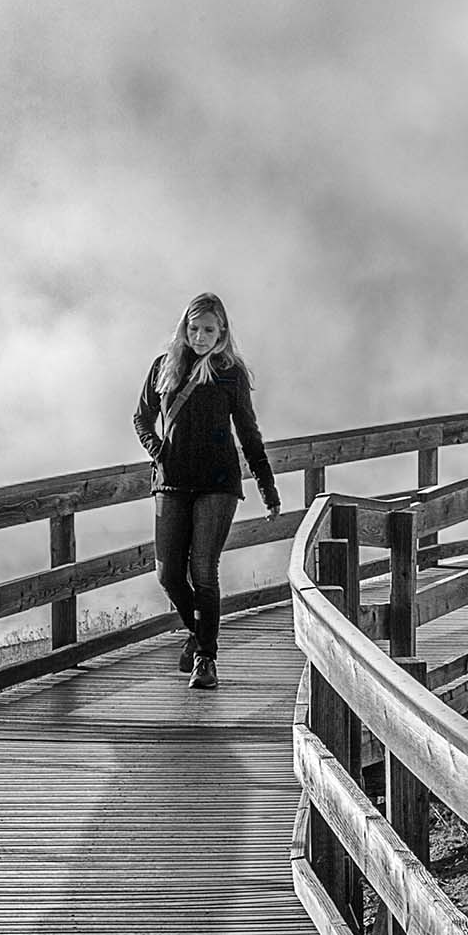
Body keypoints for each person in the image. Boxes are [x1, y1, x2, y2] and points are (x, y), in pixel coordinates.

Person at [133, 293, 281, 689]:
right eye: (194, 328)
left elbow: (248, 432)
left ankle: (205, 659)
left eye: (208, 330)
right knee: (168, 574)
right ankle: (198, 634)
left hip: (218, 484)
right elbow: (142, 417)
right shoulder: (164, 367)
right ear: (184, 328)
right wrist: (157, 450)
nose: (200, 337)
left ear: (222, 332)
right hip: (171, 482)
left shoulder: (230, 373)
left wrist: (267, 487)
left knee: (202, 569)